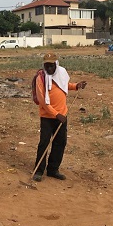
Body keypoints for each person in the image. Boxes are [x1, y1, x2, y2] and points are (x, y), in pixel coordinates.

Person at [33, 52, 86, 182]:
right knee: (44, 143)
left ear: (56, 64)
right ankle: (39, 171)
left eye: (51, 66)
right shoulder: (40, 78)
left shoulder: (61, 73)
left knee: (60, 143)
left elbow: (64, 85)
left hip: (62, 115)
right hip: (47, 116)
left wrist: (76, 86)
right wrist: (56, 114)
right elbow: (43, 101)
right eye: (47, 66)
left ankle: (53, 170)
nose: (49, 69)